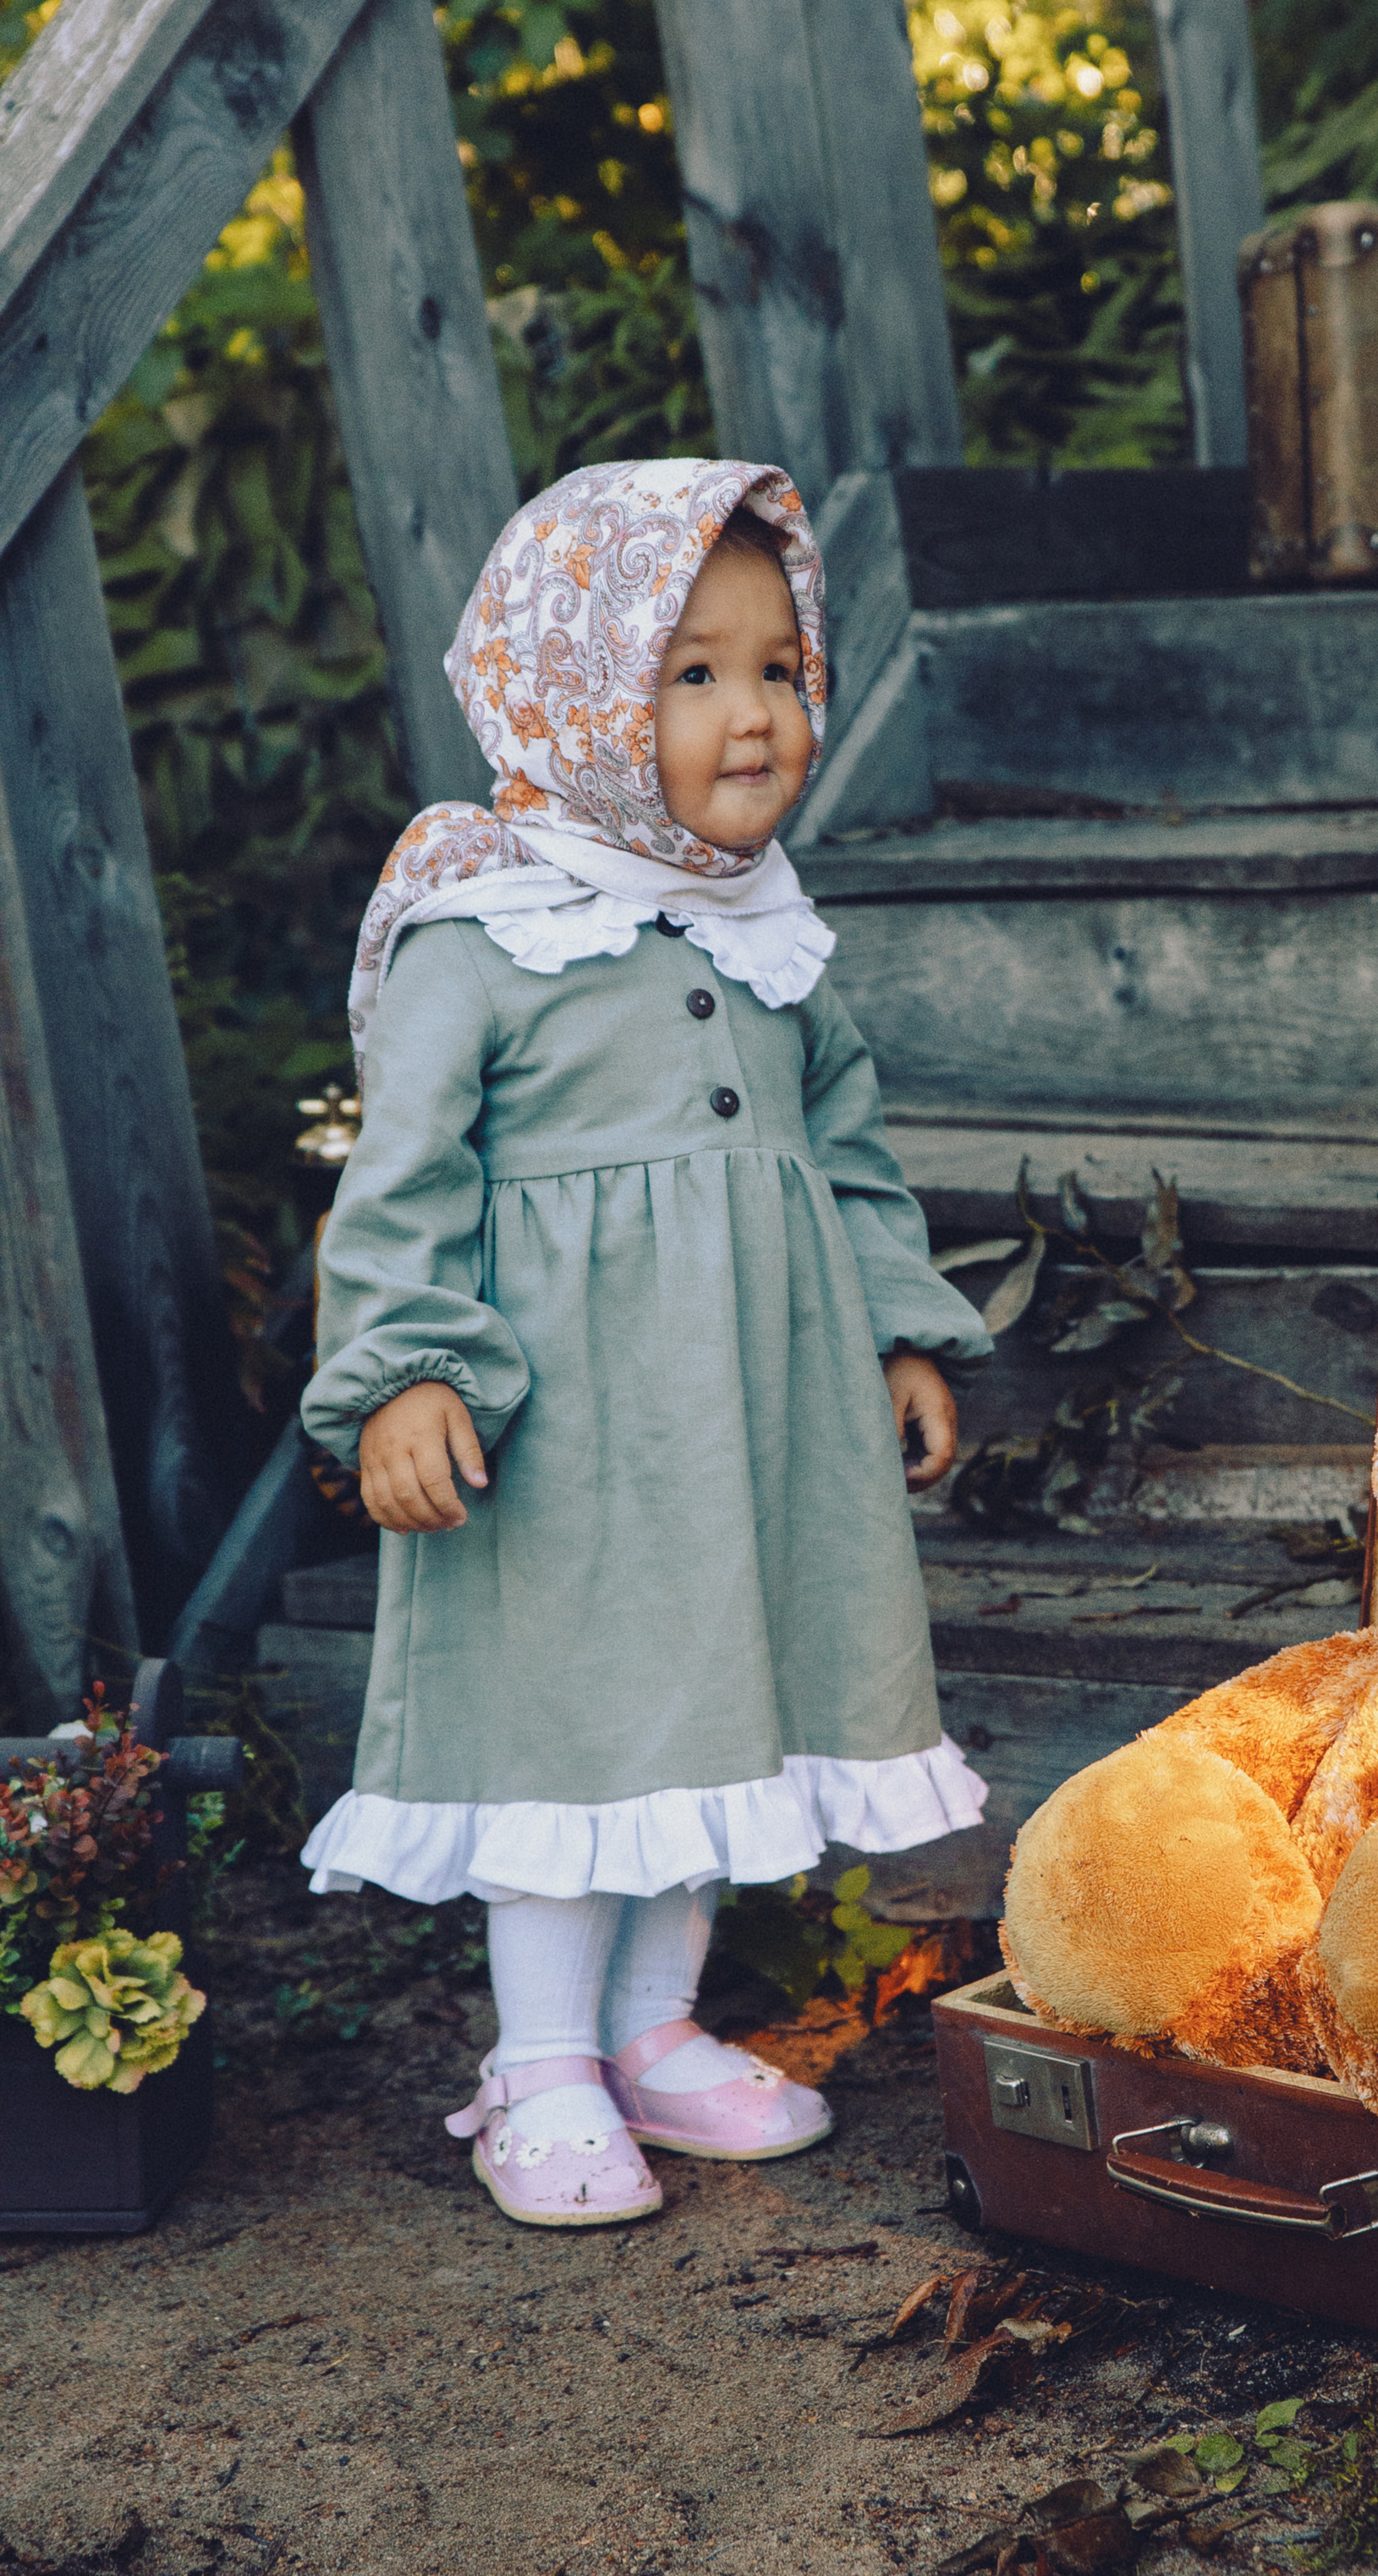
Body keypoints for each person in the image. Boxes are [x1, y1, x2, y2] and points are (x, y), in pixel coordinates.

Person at [298, 459, 992, 2229]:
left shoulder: (768, 936)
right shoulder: (484, 932)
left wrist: (899, 1330)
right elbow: (401, 1179)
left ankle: (650, 2028)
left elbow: (846, 1157)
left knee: (719, 1702)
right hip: (565, 1436)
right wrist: (404, 1371)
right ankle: (538, 2061)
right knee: (573, 1722)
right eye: (692, 674)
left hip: (751, 1420)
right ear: (576, 697)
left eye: (778, 670)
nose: (753, 714)